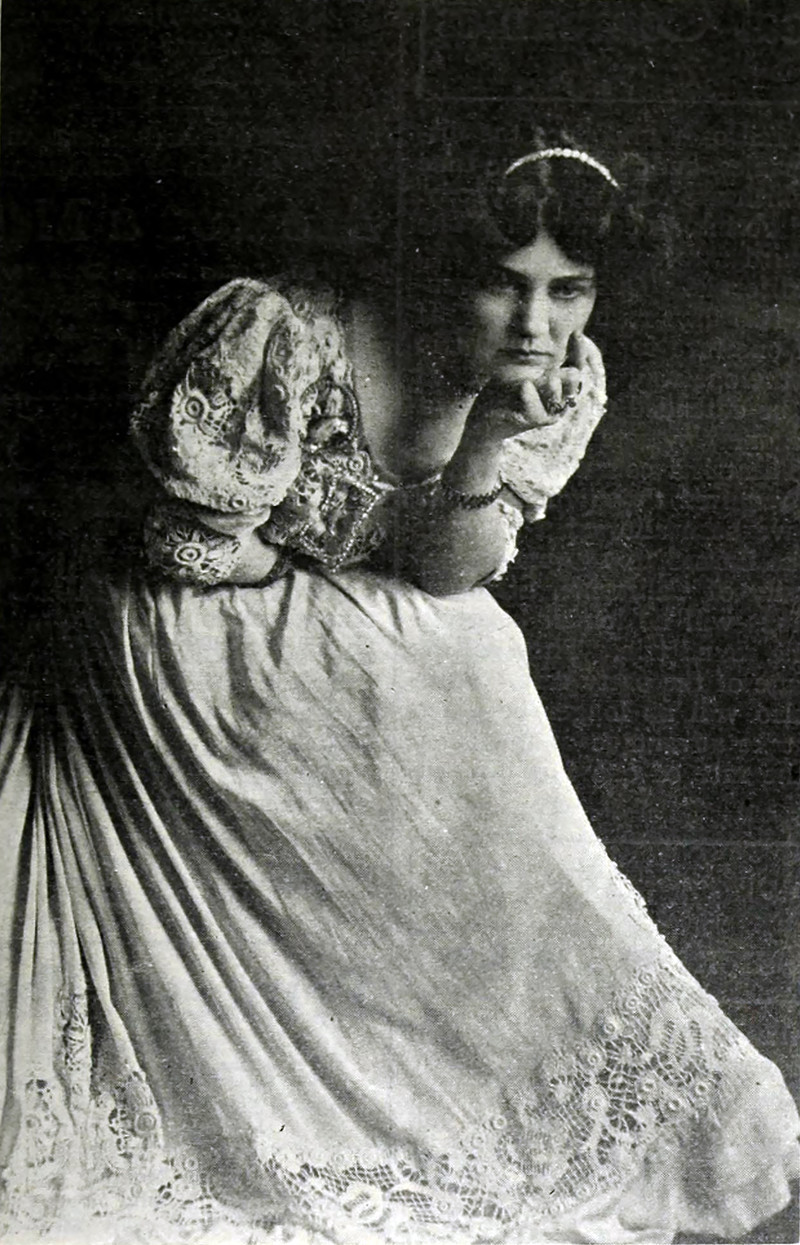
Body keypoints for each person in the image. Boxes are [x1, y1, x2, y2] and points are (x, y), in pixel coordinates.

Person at [0, 139, 797, 1245]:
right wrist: (313, 570)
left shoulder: (557, 381)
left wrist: (484, 442)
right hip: (175, 621)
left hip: (320, 599)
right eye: (502, 284)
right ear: (437, 268)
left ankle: (455, 1062)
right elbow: (186, 546)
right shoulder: (286, 333)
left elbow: (446, 569)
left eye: (568, 290)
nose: (535, 324)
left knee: (473, 652)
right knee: (440, 664)